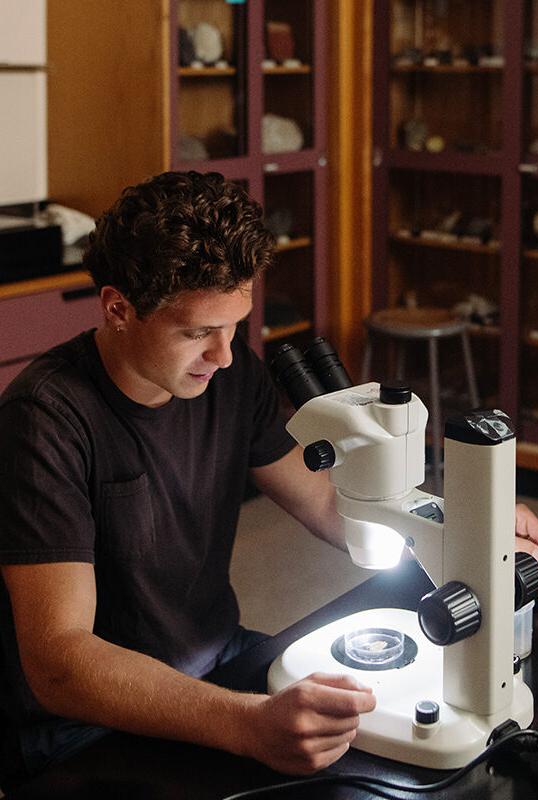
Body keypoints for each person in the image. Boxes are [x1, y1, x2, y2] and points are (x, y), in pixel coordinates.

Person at [0, 171, 377, 789]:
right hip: (80, 725)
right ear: (118, 308)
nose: (225, 355)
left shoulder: (227, 376)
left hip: (216, 659)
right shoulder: (44, 421)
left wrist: (467, 528)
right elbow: (59, 661)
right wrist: (249, 723)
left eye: (235, 326)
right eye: (198, 332)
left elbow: (330, 506)